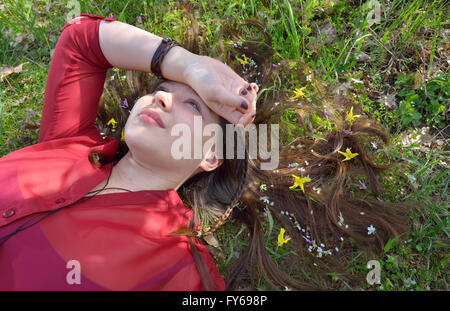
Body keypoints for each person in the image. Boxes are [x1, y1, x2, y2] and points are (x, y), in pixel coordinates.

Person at [0, 13, 257, 291]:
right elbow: (79, 39)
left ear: (211, 155)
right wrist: (188, 66)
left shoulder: (180, 271)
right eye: (162, 88)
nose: (162, 97)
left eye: (193, 105)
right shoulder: (69, 139)